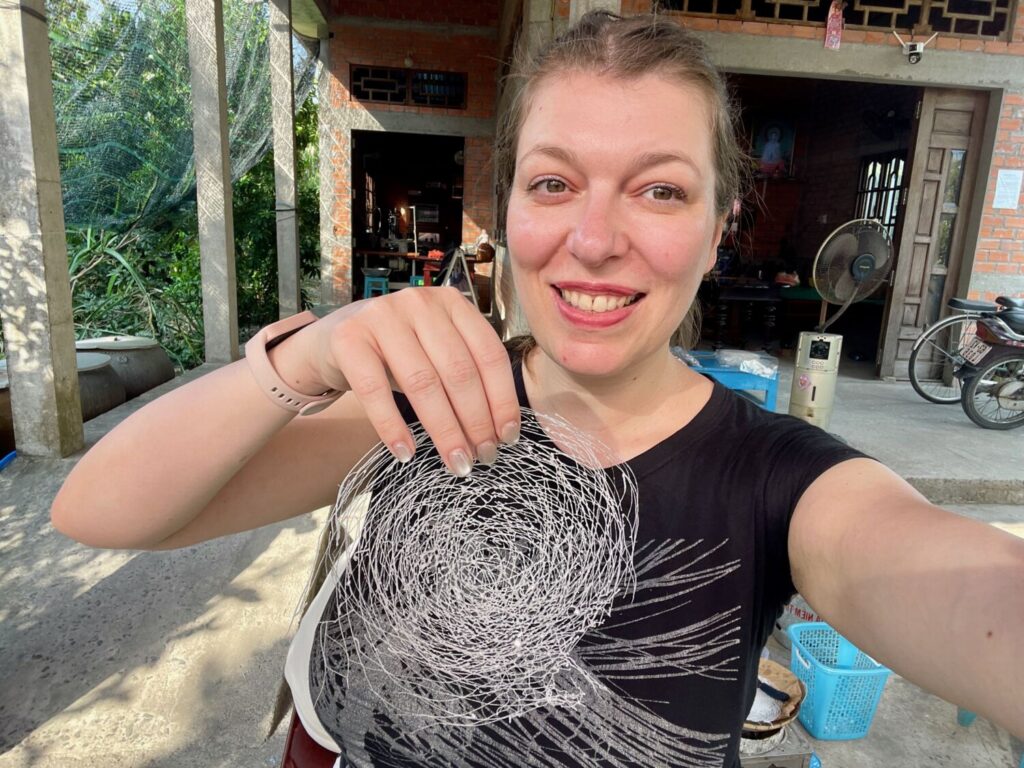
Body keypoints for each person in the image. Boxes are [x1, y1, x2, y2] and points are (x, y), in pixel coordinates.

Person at [51, 11, 1023, 768]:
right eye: (554, 183)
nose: (593, 240)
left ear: (720, 221)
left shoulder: (784, 487)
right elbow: (100, 509)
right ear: (507, 203)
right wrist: (308, 356)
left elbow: (968, 595)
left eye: (659, 190)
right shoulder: (420, 404)